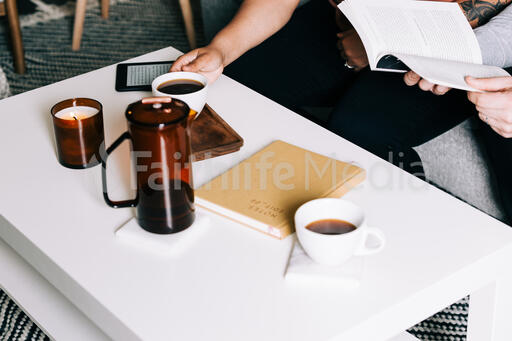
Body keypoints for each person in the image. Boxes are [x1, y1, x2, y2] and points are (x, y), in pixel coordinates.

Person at [171, 0, 512, 223]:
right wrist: (221, 49)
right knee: (231, 89)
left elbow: (500, 37)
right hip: (348, 26)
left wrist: (395, 50)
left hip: (456, 50)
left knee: (358, 130)